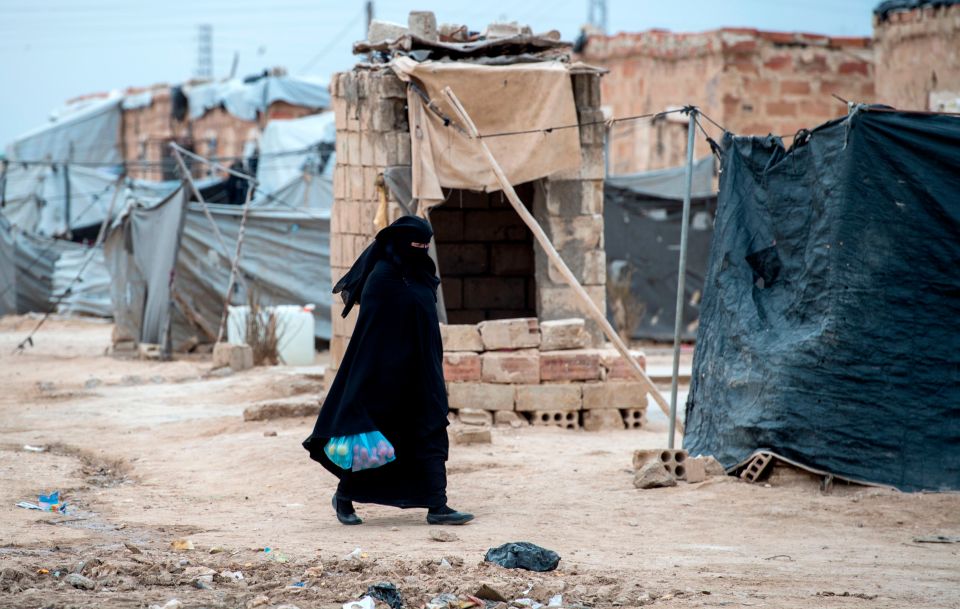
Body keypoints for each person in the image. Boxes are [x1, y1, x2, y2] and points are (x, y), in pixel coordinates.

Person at [303, 216, 474, 526]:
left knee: (431, 431)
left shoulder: (422, 274)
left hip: (423, 373)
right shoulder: (381, 279)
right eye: (417, 245)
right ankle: (344, 497)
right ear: (400, 244)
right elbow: (373, 335)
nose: (422, 250)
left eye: (426, 245)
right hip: (385, 376)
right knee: (377, 442)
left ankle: (438, 505)